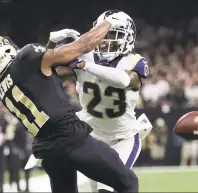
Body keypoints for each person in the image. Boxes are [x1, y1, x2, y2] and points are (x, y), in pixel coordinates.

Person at [0, 12, 138, 193]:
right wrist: (108, 22)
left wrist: (50, 45)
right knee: (127, 182)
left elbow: (42, 71)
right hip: (71, 138)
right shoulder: (26, 57)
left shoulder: (0, 90)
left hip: (47, 150)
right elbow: (83, 45)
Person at [52, 10, 152, 192]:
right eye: (104, 35)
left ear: (128, 38)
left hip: (123, 138)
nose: (107, 41)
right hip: (92, 136)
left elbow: (124, 80)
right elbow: (47, 67)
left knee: (106, 189)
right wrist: (55, 46)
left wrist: (86, 66)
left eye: (113, 35)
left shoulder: (134, 61)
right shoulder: (85, 56)